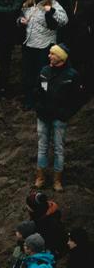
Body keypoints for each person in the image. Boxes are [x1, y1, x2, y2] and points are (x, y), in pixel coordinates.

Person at [35, 45, 80, 191]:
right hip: (43, 116)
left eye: (52, 54)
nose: (49, 56)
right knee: (42, 147)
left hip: (59, 118)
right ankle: (40, 177)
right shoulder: (44, 71)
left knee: (58, 148)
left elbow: (77, 99)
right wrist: (38, 107)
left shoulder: (72, 75)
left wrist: (66, 114)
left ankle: (57, 180)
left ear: (61, 57)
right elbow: (36, 91)